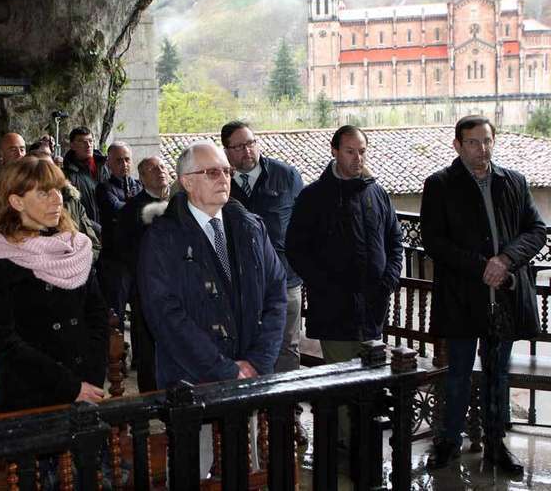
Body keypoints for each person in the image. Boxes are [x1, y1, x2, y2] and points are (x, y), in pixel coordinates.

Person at [138, 140, 286, 476]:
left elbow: (276, 294)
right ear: (187, 182)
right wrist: (224, 369)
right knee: (195, 468)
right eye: (212, 172)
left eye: (226, 171)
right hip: (192, 379)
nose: (223, 178)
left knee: (244, 468)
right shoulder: (163, 238)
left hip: (247, 373)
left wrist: (257, 361)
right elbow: (165, 315)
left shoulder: (250, 227)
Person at [423, 116, 546, 474]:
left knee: (498, 375)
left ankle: (496, 445)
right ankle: (449, 441)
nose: (482, 149)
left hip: (504, 298)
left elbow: (536, 230)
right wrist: (483, 267)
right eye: (473, 142)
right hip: (462, 298)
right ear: (458, 145)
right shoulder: (440, 185)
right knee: (458, 373)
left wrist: (505, 260)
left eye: (487, 141)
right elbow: (434, 241)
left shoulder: (513, 181)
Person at [285, 125, 403, 446]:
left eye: (362, 151)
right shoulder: (314, 196)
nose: (357, 158)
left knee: (370, 377)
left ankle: (364, 445)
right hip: (334, 308)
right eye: (350, 151)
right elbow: (296, 248)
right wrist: (324, 284)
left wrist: (389, 279)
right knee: (342, 379)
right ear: (334, 151)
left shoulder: (376, 193)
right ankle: (347, 448)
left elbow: (395, 240)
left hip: (373, 305)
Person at [0, 156, 108, 413]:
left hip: (86, 387)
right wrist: (70, 387)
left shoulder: (73, 246)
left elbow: (97, 315)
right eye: (44, 193)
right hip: (32, 395)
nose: (57, 199)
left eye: (58, 190)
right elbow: (4, 341)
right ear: (16, 201)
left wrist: (93, 376)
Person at [221, 120, 308, 444]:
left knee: (287, 349)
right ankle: (250, 419)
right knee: (245, 347)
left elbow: (305, 223)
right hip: (238, 285)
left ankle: (288, 417)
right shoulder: (220, 180)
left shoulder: (286, 176)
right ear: (226, 151)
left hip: (285, 280)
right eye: (239, 146)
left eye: (251, 143)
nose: (247, 151)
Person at [115, 155, 170, 392]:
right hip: (148, 287)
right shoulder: (132, 210)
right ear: (142, 178)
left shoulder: (181, 201)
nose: (160, 171)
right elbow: (126, 251)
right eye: (152, 169)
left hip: (180, 286)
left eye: (162, 167)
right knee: (149, 347)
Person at [95, 142, 143, 321]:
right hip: (115, 260)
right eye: (118, 160)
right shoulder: (104, 188)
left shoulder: (139, 185)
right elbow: (118, 210)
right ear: (109, 163)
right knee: (116, 312)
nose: (124, 164)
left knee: (142, 312)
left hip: (138, 259)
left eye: (127, 160)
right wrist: (139, 207)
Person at [62, 126, 109, 231]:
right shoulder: (68, 175)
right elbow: (73, 210)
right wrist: (96, 228)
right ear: (72, 145)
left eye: (90, 141)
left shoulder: (106, 166)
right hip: (87, 230)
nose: (88, 145)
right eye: (82, 142)